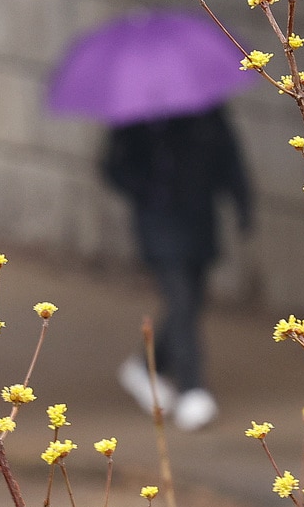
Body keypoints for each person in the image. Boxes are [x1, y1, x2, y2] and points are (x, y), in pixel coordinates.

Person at [101, 104, 252, 430]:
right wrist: (149, 188)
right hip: (159, 223)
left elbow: (230, 158)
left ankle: (143, 365)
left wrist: (242, 204)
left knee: (192, 301)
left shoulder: (206, 112)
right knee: (181, 299)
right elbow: (114, 167)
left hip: (199, 219)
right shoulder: (136, 119)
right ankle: (191, 388)